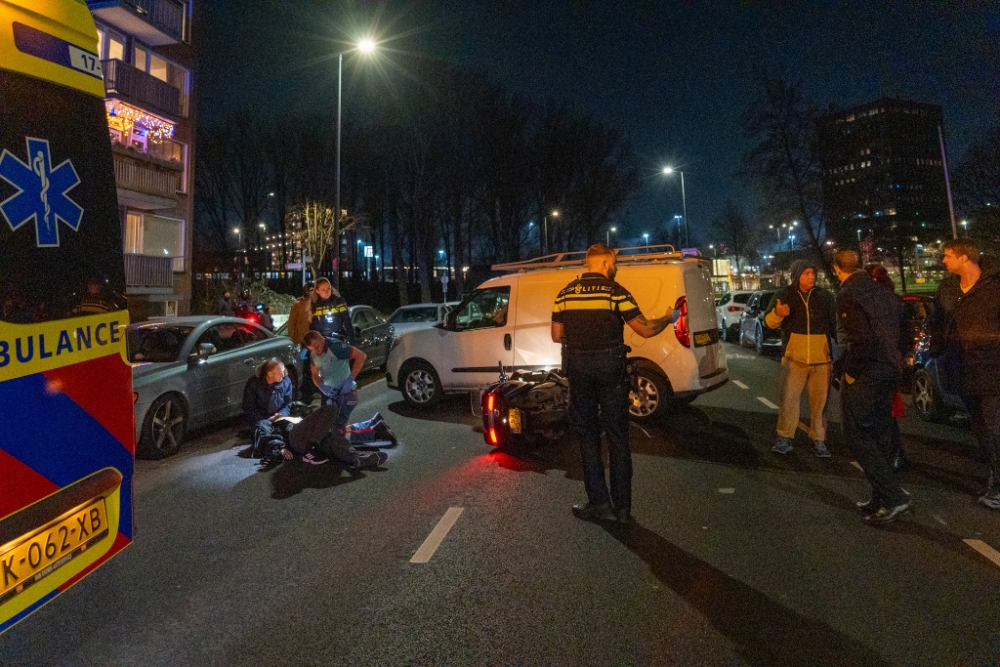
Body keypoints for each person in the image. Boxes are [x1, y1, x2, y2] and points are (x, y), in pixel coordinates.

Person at [551, 243, 675, 525]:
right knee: (618, 438)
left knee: (588, 437)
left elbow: (556, 335)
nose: (615, 268)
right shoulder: (616, 292)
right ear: (606, 263)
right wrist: (668, 318)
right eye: (614, 263)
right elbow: (644, 328)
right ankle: (622, 509)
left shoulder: (565, 293)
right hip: (611, 369)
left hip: (579, 369)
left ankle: (599, 503)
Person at [832, 250, 907, 524]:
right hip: (890, 370)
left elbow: (859, 339)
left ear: (838, 268)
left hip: (867, 373)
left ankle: (894, 498)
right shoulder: (885, 293)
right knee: (880, 433)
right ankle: (881, 498)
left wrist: (850, 372)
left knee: (856, 435)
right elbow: (905, 331)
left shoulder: (848, 294)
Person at [930, 239, 1000, 509]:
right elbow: (936, 319)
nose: (943, 261)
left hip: (992, 367)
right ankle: (993, 473)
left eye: (947, 256)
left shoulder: (993, 288)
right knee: (981, 425)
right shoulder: (947, 289)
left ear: (964, 258)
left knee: (994, 426)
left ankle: (997, 486)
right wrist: (937, 347)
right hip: (961, 368)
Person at [763, 259, 837, 457]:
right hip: (794, 358)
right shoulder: (784, 295)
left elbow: (835, 326)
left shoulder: (825, 297)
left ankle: (819, 439)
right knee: (788, 400)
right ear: (796, 275)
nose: (811, 277)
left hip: (822, 360)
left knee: (820, 403)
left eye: (813, 273)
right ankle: (785, 437)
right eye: (806, 273)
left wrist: (839, 353)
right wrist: (778, 315)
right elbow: (768, 323)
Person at [865, 263, 911, 472]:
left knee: (883, 411)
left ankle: (893, 454)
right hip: (891, 362)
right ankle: (894, 453)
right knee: (886, 411)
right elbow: (906, 337)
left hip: (882, 363)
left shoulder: (882, 303)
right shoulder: (894, 301)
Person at [304, 329, 366, 433]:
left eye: (317, 347)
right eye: (312, 349)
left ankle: (341, 445)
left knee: (337, 427)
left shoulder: (335, 347)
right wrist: (321, 386)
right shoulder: (313, 353)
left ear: (321, 339)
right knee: (325, 426)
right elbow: (314, 374)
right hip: (329, 394)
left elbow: (361, 356)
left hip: (345, 393)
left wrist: (351, 379)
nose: (316, 351)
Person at [242, 360, 294, 465]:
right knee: (263, 429)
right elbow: (249, 407)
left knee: (292, 427)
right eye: (280, 372)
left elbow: (288, 403)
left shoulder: (286, 381)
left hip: (279, 416)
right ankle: (277, 449)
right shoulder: (254, 384)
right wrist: (267, 420)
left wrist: (282, 415)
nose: (283, 375)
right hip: (261, 418)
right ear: (270, 374)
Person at [288, 282, 317, 398]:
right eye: (310, 290)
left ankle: (312, 390)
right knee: (305, 368)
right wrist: (295, 341)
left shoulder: (316, 306)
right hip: (303, 344)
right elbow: (292, 326)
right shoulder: (297, 307)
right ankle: (306, 392)